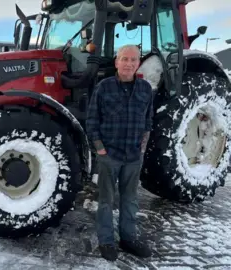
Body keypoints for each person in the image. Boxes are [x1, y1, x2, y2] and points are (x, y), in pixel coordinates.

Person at [86, 44, 153, 261]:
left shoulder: (145, 89)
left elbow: (148, 121)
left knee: (131, 199)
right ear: (117, 62)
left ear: (138, 63)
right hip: (110, 155)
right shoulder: (104, 87)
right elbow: (92, 120)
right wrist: (100, 150)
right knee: (106, 200)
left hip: (133, 155)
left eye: (133, 60)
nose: (129, 63)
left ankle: (128, 238)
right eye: (125, 59)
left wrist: (142, 147)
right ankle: (106, 241)